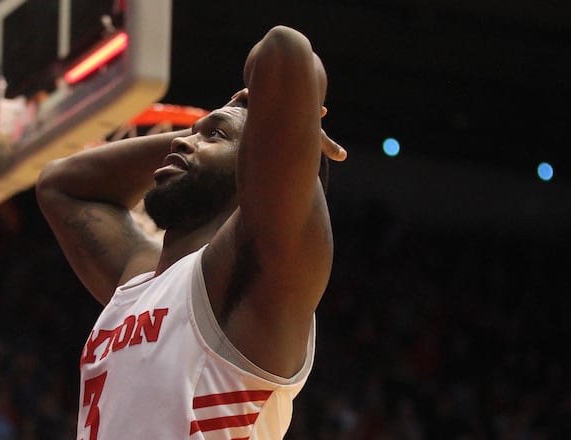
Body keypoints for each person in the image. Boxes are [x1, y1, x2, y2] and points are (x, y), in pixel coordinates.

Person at [36, 25, 347, 440]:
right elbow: (60, 185)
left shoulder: (253, 283)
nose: (182, 143)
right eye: (190, 134)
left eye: (213, 136)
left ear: (257, 173)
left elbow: (286, 51)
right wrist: (204, 134)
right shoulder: (141, 280)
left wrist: (282, 123)